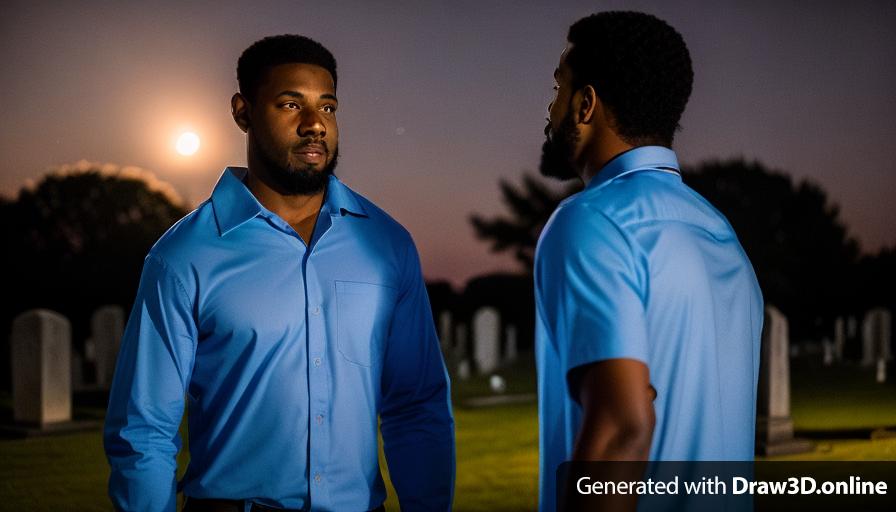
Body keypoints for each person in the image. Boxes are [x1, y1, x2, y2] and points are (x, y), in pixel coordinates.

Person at [104, 34, 454, 512]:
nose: (315, 125)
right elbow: (143, 429)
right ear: (242, 111)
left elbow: (416, 406)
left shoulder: (389, 246)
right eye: (291, 104)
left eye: (327, 108)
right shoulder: (181, 257)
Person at [535, 11, 763, 511]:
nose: (548, 109)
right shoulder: (724, 238)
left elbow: (622, 428)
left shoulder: (590, 222)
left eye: (557, 89)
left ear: (585, 104)